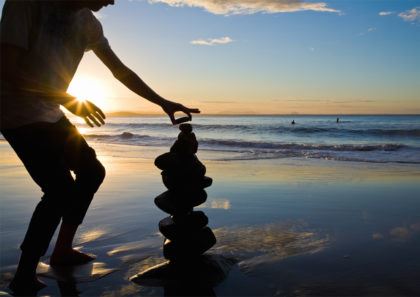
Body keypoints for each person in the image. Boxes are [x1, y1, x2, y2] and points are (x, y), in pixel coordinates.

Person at [0, 0, 200, 293]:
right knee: (58, 189)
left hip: (49, 110)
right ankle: (24, 274)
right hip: (12, 109)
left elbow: (121, 71)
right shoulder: (26, 4)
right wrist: (68, 99)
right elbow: (6, 67)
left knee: (91, 171)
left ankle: (62, 250)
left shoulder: (89, 24)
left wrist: (162, 102)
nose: (112, 1)